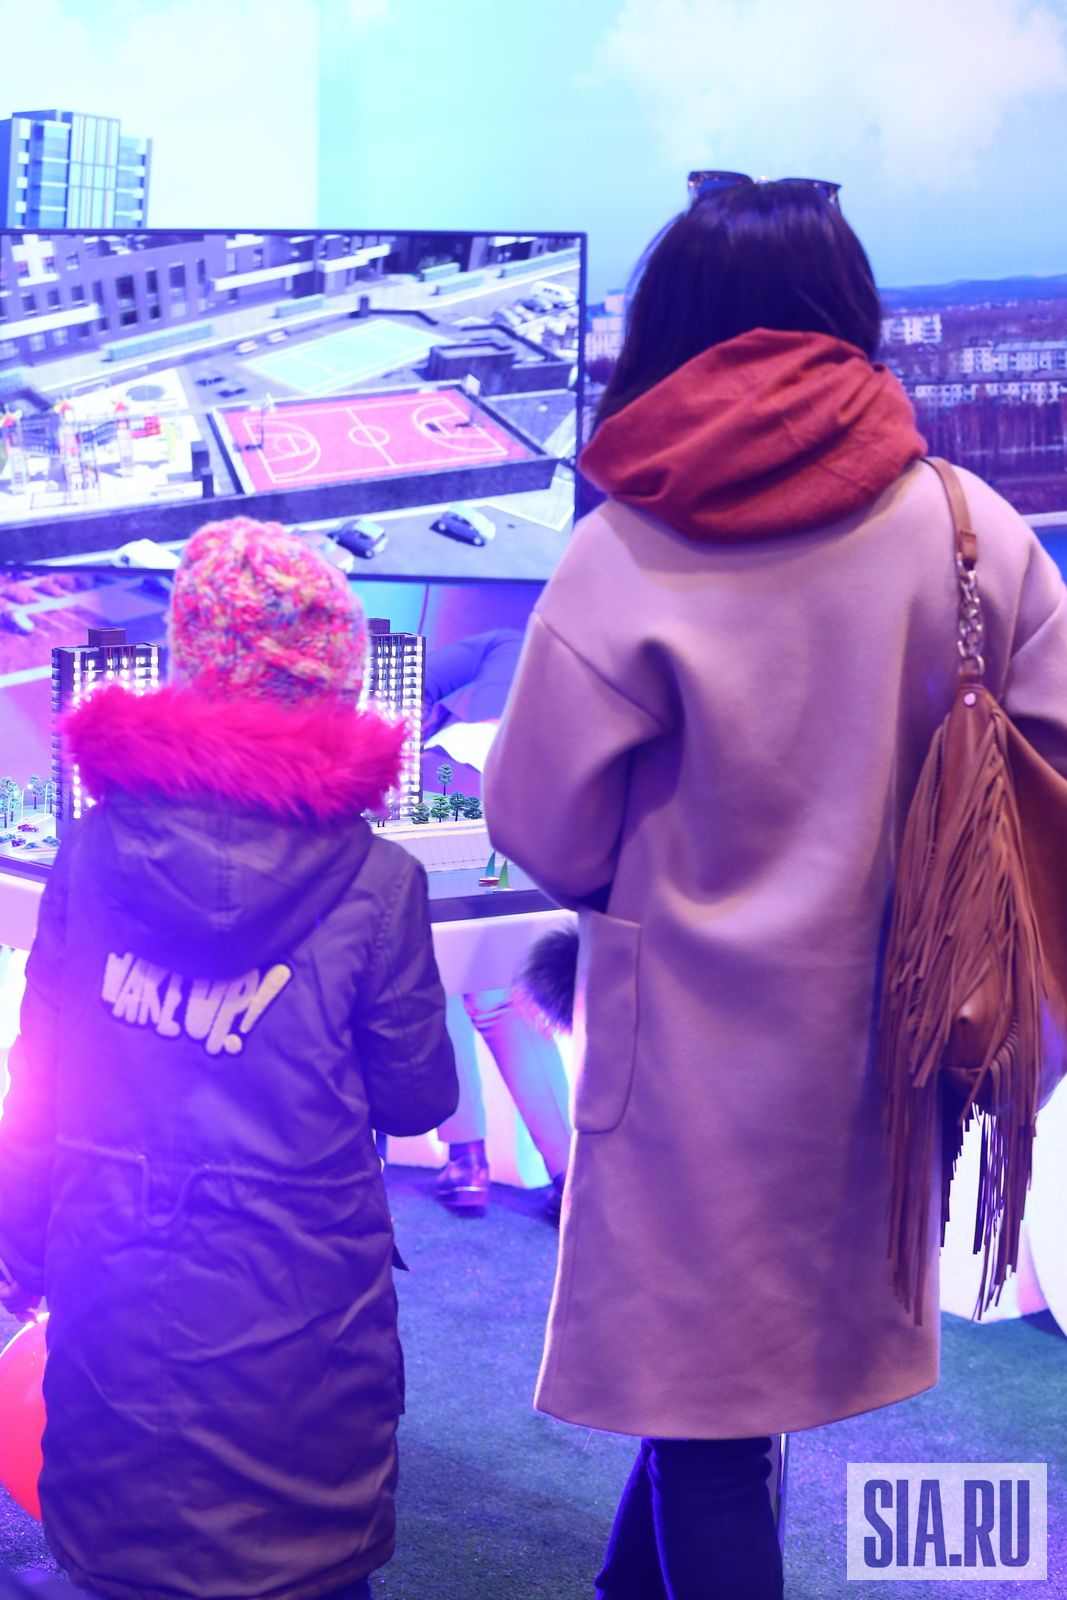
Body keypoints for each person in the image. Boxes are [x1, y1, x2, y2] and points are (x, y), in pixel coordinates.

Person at [483, 178, 1067, 1600]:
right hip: (890, 1046)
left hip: (683, 1061)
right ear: (848, 313)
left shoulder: (625, 548)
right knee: (731, 1406)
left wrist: (655, 867)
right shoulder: (967, 524)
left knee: (705, 1418)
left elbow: (535, 821)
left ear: (668, 325)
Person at [0, 517, 457, 1600]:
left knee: (125, 1552)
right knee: (307, 1564)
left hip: (117, 1284)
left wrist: (20, 1253)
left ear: (188, 669)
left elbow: (38, 1086)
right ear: (337, 682)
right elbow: (416, 1096)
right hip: (303, 1311)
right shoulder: (377, 883)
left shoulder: (92, 854)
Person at [420, 630, 572, 1220]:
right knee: (496, 993)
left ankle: (468, 1164)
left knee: (438, 969)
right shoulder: (571, 651)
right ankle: (571, 1177)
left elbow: (411, 685)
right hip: (526, 799)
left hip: (445, 779)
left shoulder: (501, 643)